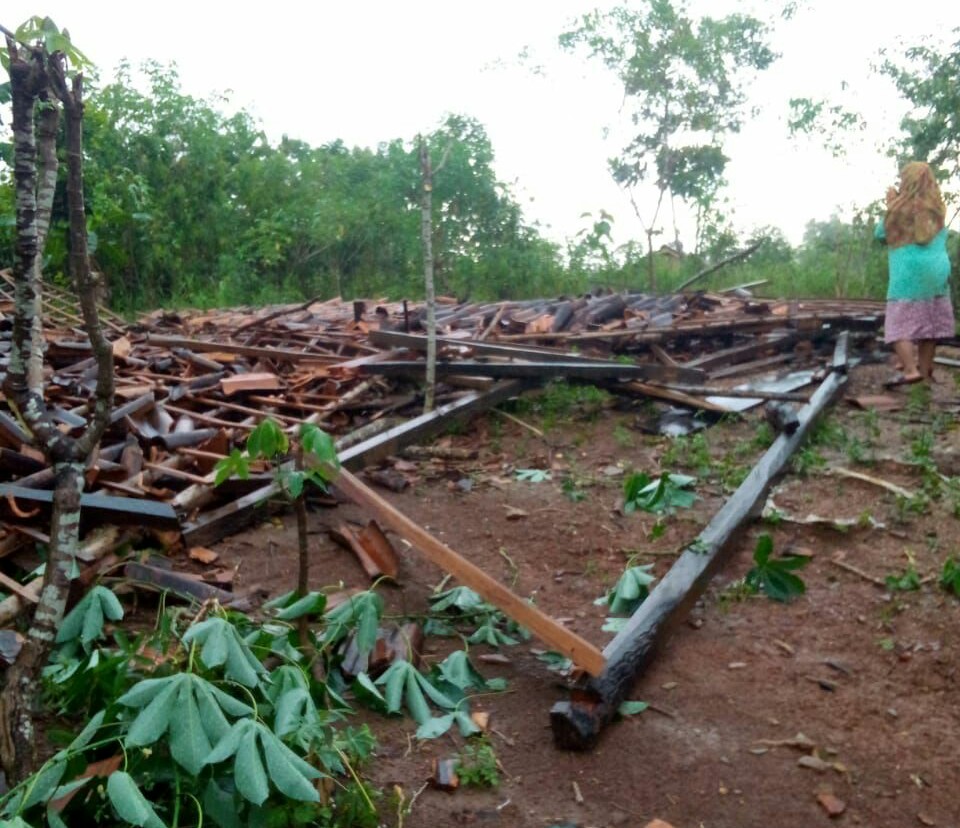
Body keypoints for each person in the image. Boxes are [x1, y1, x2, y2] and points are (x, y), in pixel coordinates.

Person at [875, 161, 954, 385]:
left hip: (908, 275)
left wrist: (890, 207)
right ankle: (926, 370)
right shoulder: (936, 209)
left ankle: (910, 369)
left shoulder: (897, 210)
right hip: (937, 274)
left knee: (898, 326)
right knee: (930, 328)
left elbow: (880, 234)